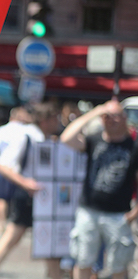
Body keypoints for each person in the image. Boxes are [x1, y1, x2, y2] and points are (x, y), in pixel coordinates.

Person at [0, 103, 62, 279]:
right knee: (12, 238)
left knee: (49, 246)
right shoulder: (26, 137)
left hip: (43, 197)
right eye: (55, 118)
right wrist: (26, 183)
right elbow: (3, 165)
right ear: (45, 120)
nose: (58, 122)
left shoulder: (47, 138)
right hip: (27, 197)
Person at [60, 99, 138, 279]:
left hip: (118, 215)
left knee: (118, 265)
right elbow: (67, 138)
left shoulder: (133, 146)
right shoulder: (94, 140)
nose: (111, 120)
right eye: (107, 117)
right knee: (83, 260)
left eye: (116, 116)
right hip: (89, 211)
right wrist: (94, 113)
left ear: (124, 118)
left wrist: (134, 214)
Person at [0, 107, 27, 234]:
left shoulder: (3, 130)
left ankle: (2, 224)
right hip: (18, 170)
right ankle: (13, 224)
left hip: (3, 167)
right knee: (15, 199)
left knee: (2, 198)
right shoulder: (26, 130)